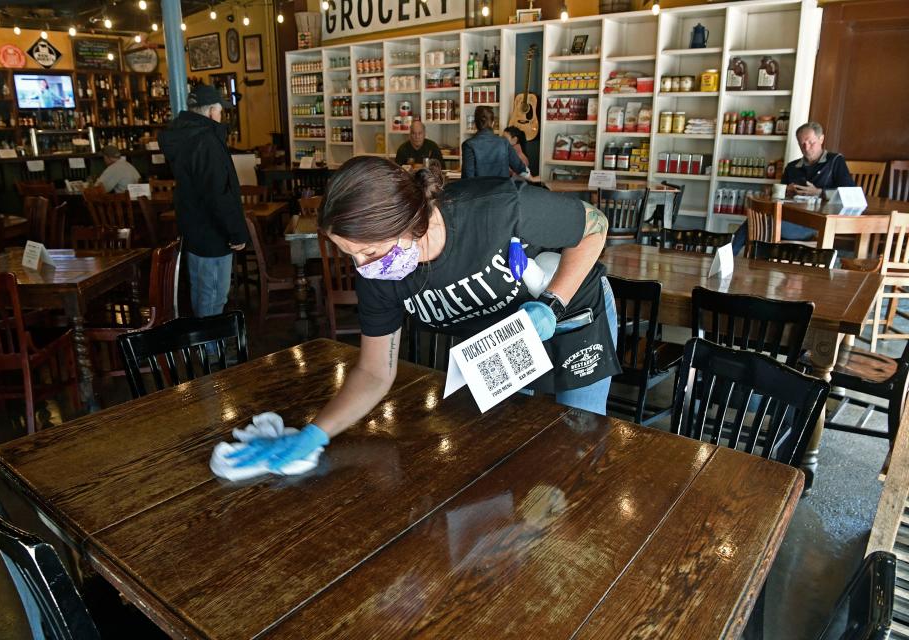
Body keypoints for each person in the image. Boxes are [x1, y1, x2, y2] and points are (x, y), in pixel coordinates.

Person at [228, 156, 620, 472]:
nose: (363, 267)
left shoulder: (498, 208)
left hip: (571, 314)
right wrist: (316, 432)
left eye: (369, 252)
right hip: (507, 338)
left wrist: (552, 303)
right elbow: (374, 371)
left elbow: (593, 227)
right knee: (517, 444)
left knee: (577, 441)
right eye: (351, 255)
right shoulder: (380, 275)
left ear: (410, 222)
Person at [159, 84, 248, 320]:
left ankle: (207, 348)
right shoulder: (206, 141)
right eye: (220, 111)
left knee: (203, 293)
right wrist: (236, 232)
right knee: (214, 296)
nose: (221, 116)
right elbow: (218, 192)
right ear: (210, 112)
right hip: (214, 233)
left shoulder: (183, 137)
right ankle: (210, 352)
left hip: (195, 228)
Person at [731, 121, 855, 254]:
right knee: (759, 222)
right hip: (790, 218)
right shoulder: (792, 167)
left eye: (811, 142)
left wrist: (820, 192)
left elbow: (850, 194)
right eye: (802, 144)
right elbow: (777, 196)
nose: (806, 148)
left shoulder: (835, 161)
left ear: (821, 139)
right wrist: (785, 191)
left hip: (816, 224)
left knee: (762, 224)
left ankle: (730, 258)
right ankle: (741, 261)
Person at [462, 106, 530, 179]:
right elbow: (519, 167)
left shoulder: (468, 144)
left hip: (480, 189)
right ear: (493, 123)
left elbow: (468, 176)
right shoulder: (504, 142)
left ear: (475, 124)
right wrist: (531, 178)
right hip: (503, 189)